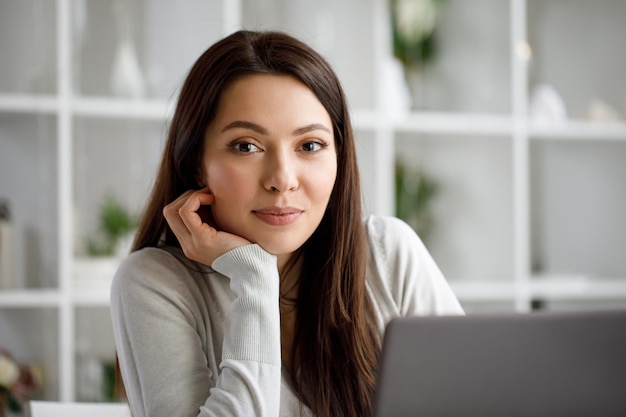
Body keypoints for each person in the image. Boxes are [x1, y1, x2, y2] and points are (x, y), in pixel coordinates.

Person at [110, 30, 463, 417]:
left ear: (338, 158)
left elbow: (482, 401)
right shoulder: (155, 283)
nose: (282, 178)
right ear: (197, 162)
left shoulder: (387, 253)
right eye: (247, 146)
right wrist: (254, 277)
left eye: (309, 146)